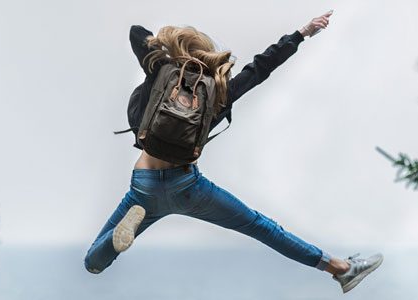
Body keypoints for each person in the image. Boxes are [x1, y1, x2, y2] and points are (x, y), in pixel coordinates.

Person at [83, 11, 383, 293]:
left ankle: (117, 239)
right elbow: (260, 68)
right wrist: (301, 33)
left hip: (144, 186)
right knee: (261, 227)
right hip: (187, 186)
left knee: (93, 263)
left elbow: (137, 33)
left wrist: (169, 51)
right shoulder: (218, 91)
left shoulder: (161, 71)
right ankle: (341, 269)